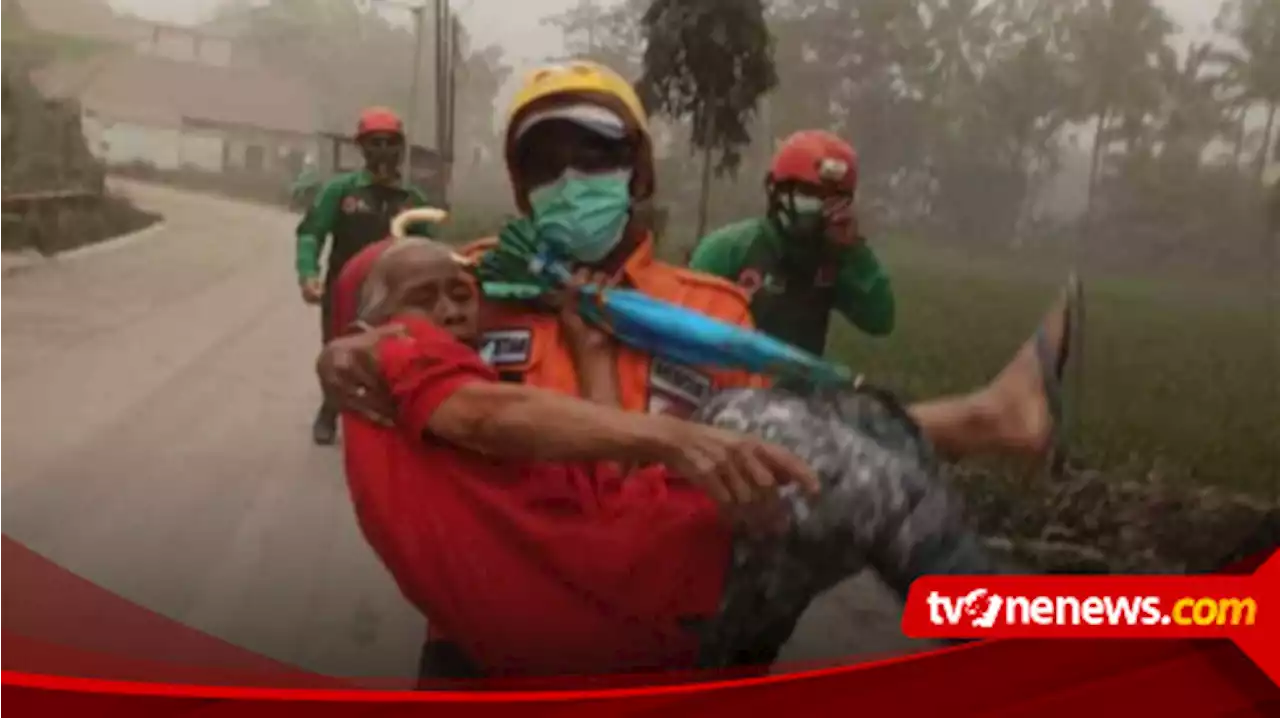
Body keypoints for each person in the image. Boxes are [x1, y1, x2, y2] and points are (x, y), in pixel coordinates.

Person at [317, 60, 1079, 679]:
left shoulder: (710, 317)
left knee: (833, 444)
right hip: (486, 648)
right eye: (546, 164)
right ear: (520, 186)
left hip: (660, 623)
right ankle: (992, 440)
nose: (571, 178)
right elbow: (395, 337)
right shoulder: (469, 287)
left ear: (637, 172)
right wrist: (340, 349)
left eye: (595, 156)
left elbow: (765, 481)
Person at [337, 236, 1011, 680]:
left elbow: (603, 484)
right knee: (793, 444)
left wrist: (592, 353)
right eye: (423, 295)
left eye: (459, 289)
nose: (452, 305)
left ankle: (993, 426)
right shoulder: (397, 357)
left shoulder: (436, 404)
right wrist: (681, 438)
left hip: (645, 617)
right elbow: (489, 414)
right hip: (653, 594)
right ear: (369, 326)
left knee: (859, 431)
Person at [295, 106, 437, 446]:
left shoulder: (412, 200)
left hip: (391, 294)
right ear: (361, 148)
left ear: (401, 148)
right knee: (338, 353)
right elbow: (311, 233)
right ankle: (330, 411)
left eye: (390, 143)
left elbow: (429, 249)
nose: (383, 150)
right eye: (375, 143)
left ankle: (381, 418)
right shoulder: (341, 192)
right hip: (344, 290)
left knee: (391, 356)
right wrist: (307, 273)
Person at [688, 130, 894, 355]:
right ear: (777, 192)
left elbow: (880, 320)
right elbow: (684, 329)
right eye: (809, 193)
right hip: (730, 385)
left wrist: (853, 251)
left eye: (833, 198)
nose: (821, 207)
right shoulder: (728, 250)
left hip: (798, 389)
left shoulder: (835, 260)